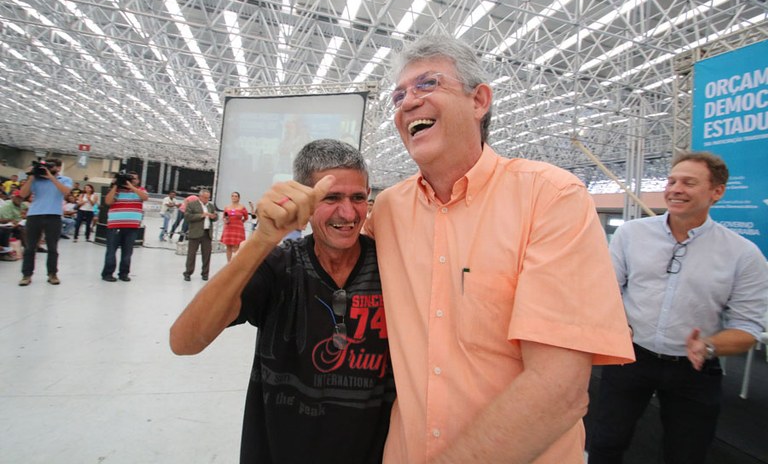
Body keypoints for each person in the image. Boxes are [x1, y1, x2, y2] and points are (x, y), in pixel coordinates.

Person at [365, 34, 635, 463]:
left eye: (427, 84)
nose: (408, 102)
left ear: (479, 101)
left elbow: (559, 390)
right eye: (399, 95)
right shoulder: (387, 211)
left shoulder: (550, 198)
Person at [170, 139, 394, 463]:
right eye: (331, 198)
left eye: (358, 197)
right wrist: (262, 239)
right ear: (304, 198)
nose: (348, 213)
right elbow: (184, 341)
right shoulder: (279, 266)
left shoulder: (391, 266)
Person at [588, 151, 768, 464]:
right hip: (631, 357)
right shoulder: (631, 234)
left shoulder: (743, 255)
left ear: (717, 192)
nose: (675, 189)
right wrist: (615, 324)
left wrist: (709, 345)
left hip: (694, 367)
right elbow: (607, 290)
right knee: (605, 441)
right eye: (671, 181)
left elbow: (749, 327)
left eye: (688, 183)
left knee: (686, 453)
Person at [18, 159, 72, 286]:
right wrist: (31, 176)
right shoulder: (36, 179)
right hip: (34, 215)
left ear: (58, 168)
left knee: (52, 247)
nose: (47, 169)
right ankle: (26, 275)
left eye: (51, 166)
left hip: (54, 216)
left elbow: (66, 192)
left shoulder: (65, 179)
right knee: (30, 247)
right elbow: (23, 194)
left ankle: (52, 274)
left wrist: (51, 177)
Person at [101, 171, 148, 282]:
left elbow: (145, 197)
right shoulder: (116, 190)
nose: (132, 180)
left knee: (127, 252)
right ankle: (107, 273)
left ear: (138, 181)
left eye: (134, 178)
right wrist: (116, 185)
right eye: (130, 178)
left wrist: (131, 187)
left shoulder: (140, 190)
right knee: (111, 251)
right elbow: (108, 201)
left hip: (132, 226)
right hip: (115, 225)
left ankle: (124, 273)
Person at [182, 189, 217, 281]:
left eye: (208, 198)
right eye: (205, 197)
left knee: (207, 255)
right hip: (195, 232)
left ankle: (205, 273)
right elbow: (187, 216)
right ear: (200, 197)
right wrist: (201, 215)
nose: (207, 199)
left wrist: (214, 216)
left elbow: (215, 217)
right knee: (191, 254)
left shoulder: (210, 206)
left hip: (207, 233)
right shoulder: (192, 204)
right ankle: (188, 273)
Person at [220, 191, 249, 261]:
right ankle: (229, 263)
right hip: (228, 228)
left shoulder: (242, 207)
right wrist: (225, 220)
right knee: (228, 246)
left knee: (236, 246)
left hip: (238, 229)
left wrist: (240, 222)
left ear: (239, 198)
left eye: (236, 196)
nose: (234, 197)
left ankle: (235, 262)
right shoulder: (227, 207)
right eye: (232, 196)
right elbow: (224, 217)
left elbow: (246, 217)